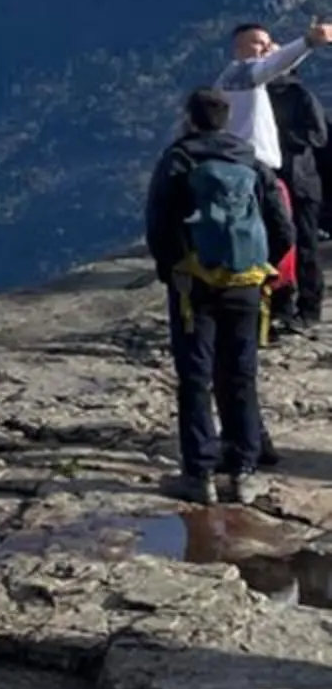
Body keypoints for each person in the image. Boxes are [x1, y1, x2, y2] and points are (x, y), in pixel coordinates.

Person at [145, 86, 293, 507]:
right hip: (246, 282)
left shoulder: (179, 158)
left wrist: (172, 270)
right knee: (240, 373)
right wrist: (263, 267)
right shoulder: (251, 159)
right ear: (227, 119)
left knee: (195, 377)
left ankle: (199, 474)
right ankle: (244, 470)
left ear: (190, 118)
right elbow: (282, 226)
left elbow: (158, 224)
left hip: (194, 284)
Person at [213, 17, 332, 170]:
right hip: (248, 164)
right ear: (239, 49)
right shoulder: (238, 75)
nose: (266, 49)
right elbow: (274, 64)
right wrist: (308, 41)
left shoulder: (255, 85)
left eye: (269, 44)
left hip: (259, 166)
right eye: (259, 43)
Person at [269, 75, 328, 331]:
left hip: (301, 181)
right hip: (272, 181)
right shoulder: (257, 93)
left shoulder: (301, 95)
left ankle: (309, 309)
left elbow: (317, 135)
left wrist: (278, 138)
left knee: (305, 246)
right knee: (277, 245)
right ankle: (280, 306)